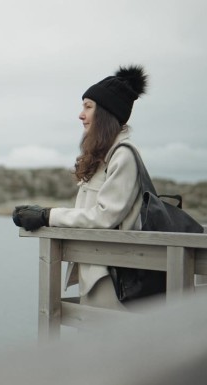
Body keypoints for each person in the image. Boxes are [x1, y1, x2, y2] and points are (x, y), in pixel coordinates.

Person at [12, 65, 148, 310]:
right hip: (95, 267)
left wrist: (47, 216)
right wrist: (44, 213)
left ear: (106, 112)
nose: (80, 114)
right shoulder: (103, 156)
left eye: (88, 106)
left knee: (106, 343)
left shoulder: (123, 155)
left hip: (113, 273)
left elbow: (105, 216)